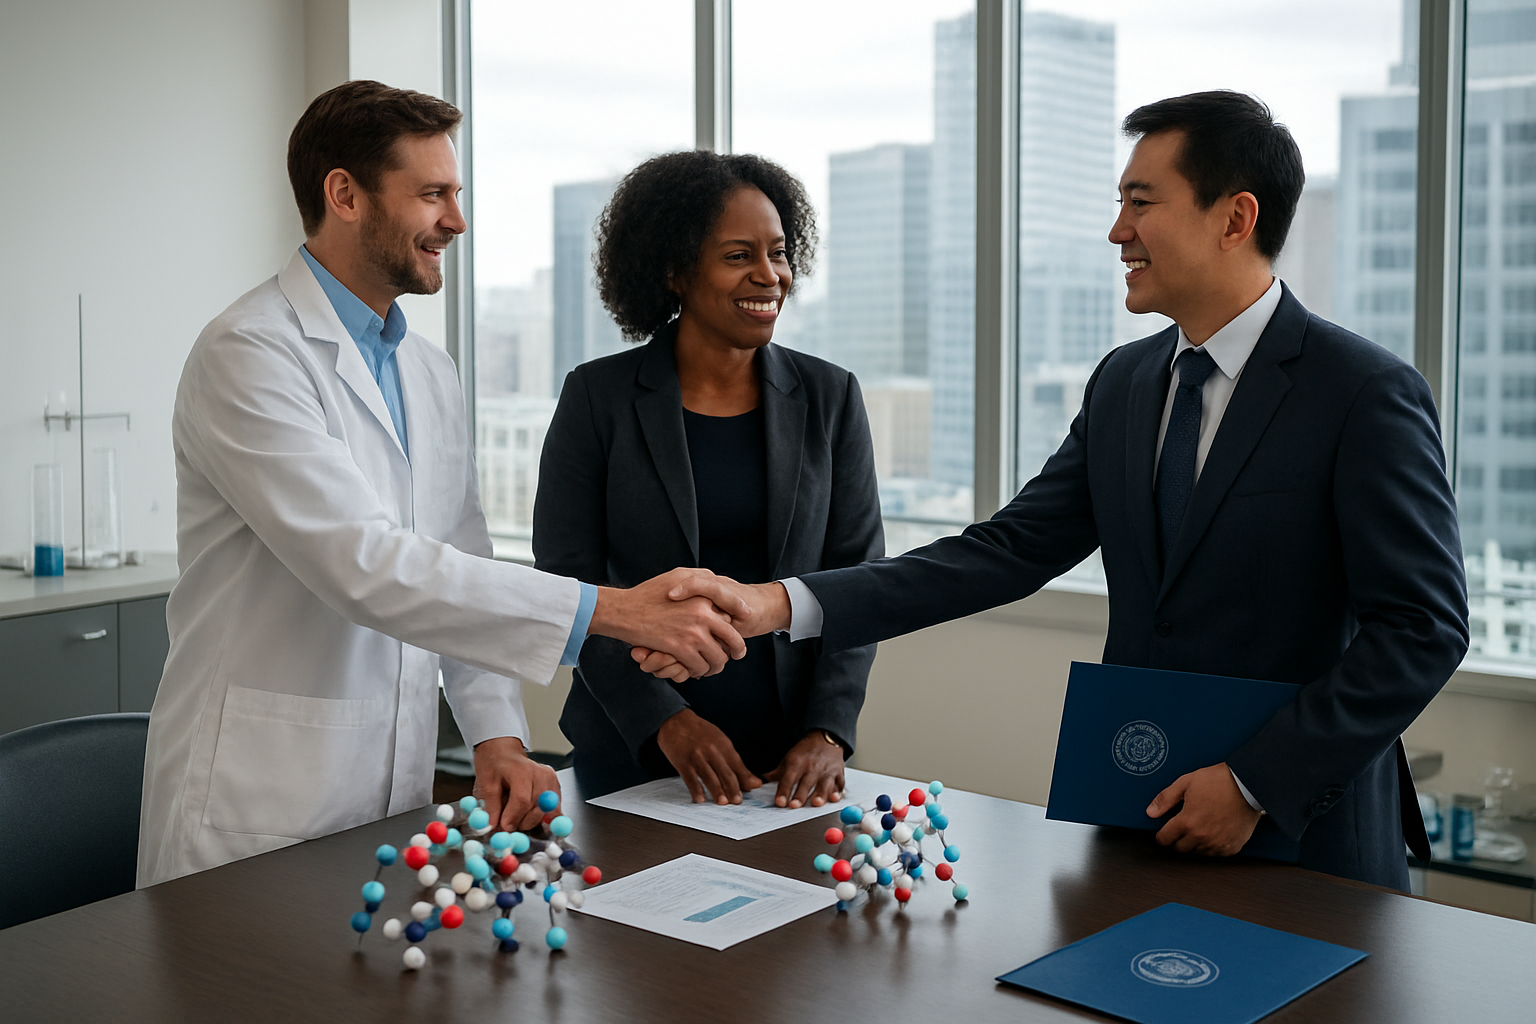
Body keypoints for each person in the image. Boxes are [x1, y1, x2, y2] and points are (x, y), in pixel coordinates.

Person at [651, 91, 1470, 890]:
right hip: (1137, 812)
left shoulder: (1362, 391)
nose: (1119, 232)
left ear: (1235, 218)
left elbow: (1423, 629)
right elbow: (1005, 552)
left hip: (1305, 837)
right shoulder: (1125, 382)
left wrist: (1255, 781)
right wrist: (777, 604)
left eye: (1141, 203)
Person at [138, 81, 748, 887]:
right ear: (344, 194)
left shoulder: (427, 369)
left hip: (384, 795)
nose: (455, 221)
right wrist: (611, 610)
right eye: (432, 194)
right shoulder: (247, 353)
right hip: (256, 800)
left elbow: (460, 558)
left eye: (455, 194)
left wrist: (496, 734)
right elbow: (366, 565)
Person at [535, 151, 884, 808]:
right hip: (634, 750)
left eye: (779, 253)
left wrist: (829, 731)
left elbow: (857, 576)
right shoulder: (597, 397)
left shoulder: (832, 395)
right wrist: (666, 722)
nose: (769, 275)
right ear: (674, 271)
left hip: (790, 762)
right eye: (737, 256)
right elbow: (569, 584)